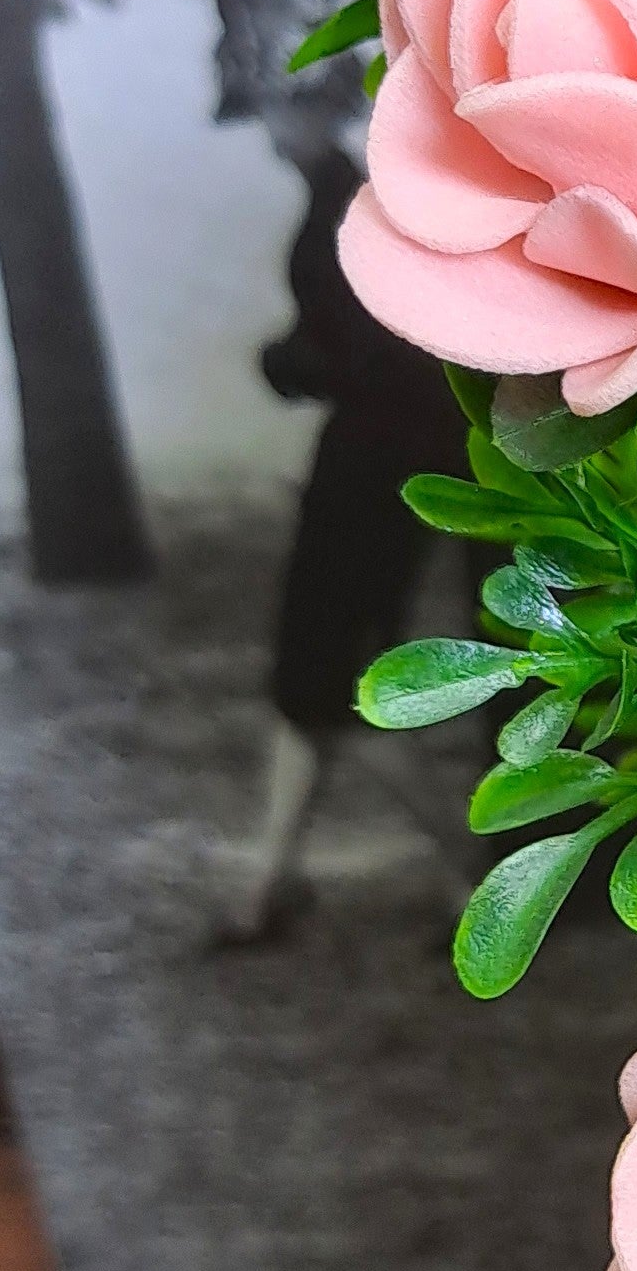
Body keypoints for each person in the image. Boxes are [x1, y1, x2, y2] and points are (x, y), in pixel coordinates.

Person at [223, 110, 466, 942]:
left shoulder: (348, 207)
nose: (261, 123)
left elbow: (375, 355)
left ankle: (479, 887)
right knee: (313, 681)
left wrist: (284, 364)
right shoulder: (348, 197)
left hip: (375, 466)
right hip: (383, 460)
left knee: (339, 683)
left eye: (271, 105)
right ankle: (271, 881)